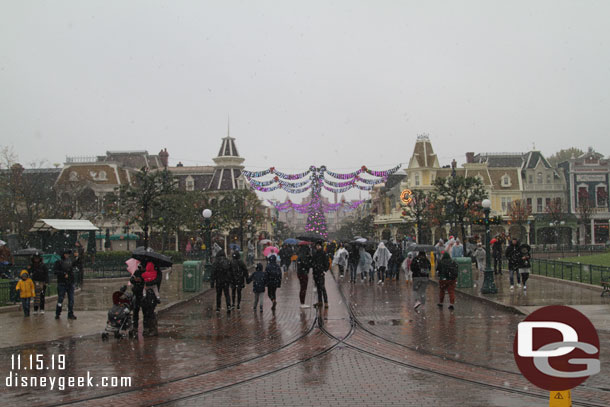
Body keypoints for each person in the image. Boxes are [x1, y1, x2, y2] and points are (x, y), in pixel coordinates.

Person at [54, 249, 77, 320]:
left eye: (68, 254)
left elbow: (76, 266)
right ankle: (58, 313)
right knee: (60, 299)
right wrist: (63, 274)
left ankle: (70, 313)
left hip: (70, 283)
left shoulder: (70, 262)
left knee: (71, 299)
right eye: (66, 254)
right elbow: (55, 271)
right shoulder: (59, 262)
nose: (67, 255)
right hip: (62, 283)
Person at [312, 242, 329, 307]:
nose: (318, 247)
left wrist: (324, 270)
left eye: (319, 246)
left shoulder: (323, 253)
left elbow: (327, 263)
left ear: (321, 246)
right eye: (317, 246)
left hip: (320, 272)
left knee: (322, 287)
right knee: (318, 288)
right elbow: (313, 262)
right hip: (316, 272)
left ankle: (326, 302)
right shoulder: (315, 253)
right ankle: (320, 301)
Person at [129, 262, 145, 330]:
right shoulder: (137, 272)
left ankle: (146, 326)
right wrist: (135, 280)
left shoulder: (146, 272)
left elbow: (148, 281)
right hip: (136, 294)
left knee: (145, 311)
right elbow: (131, 279)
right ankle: (135, 326)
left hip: (144, 294)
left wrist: (141, 280)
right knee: (135, 310)